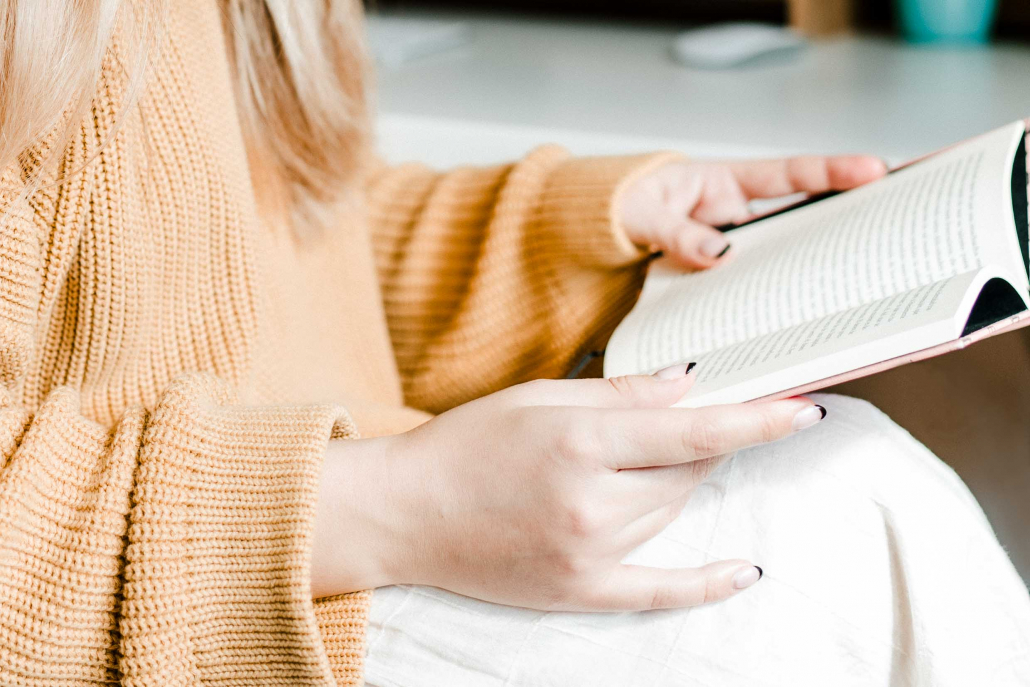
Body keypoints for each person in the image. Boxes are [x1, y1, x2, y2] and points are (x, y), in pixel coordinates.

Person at [0, 1, 1026, 685]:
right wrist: (394, 500)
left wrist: (576, 233)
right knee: (846, 540)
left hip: (294, 511)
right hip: (196, 593)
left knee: (865, 465)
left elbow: (248, 249)